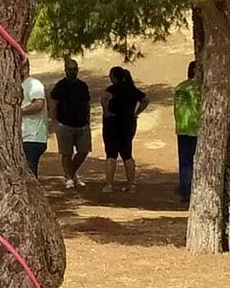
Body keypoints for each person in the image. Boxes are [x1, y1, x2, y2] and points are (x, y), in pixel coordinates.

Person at [100, 66, 149, 192]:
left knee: (111, 154)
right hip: (128, 124)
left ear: (114, 77)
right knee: (127, 154)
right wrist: (136, 112)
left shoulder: (112, 89)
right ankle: (131, 184)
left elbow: (104, 97)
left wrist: (106, 112)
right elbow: (145, 100)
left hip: (113, 124)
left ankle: (109, 185)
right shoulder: (132, 89)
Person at [49, 59, 93, 189]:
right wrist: (55, 122)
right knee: (66, 153)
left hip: (82, 125)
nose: (72, 71)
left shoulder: (82, 86)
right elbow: (53, 104)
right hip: (65, 124)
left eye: (74, 69)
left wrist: (88, 120)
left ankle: (70, 173)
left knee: (83, 151)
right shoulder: (60, 86)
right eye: (70, 69)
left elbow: (87, 104)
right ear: (65, 70)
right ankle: (69, 178)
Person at [173, 61, 200, 203]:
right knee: (194, 161)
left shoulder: (180, 87)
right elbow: (198, 107)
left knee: (184, 161)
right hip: (195, 128)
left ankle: (184, 189)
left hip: (182, 128)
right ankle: (191, 190)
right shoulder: (197, 88)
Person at [20, 74, 49, 177]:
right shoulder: (18, 84)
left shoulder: (34, 84)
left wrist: (18, 112)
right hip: (22, 137)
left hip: (33, 137)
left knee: (30, 170)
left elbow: (38, 104)